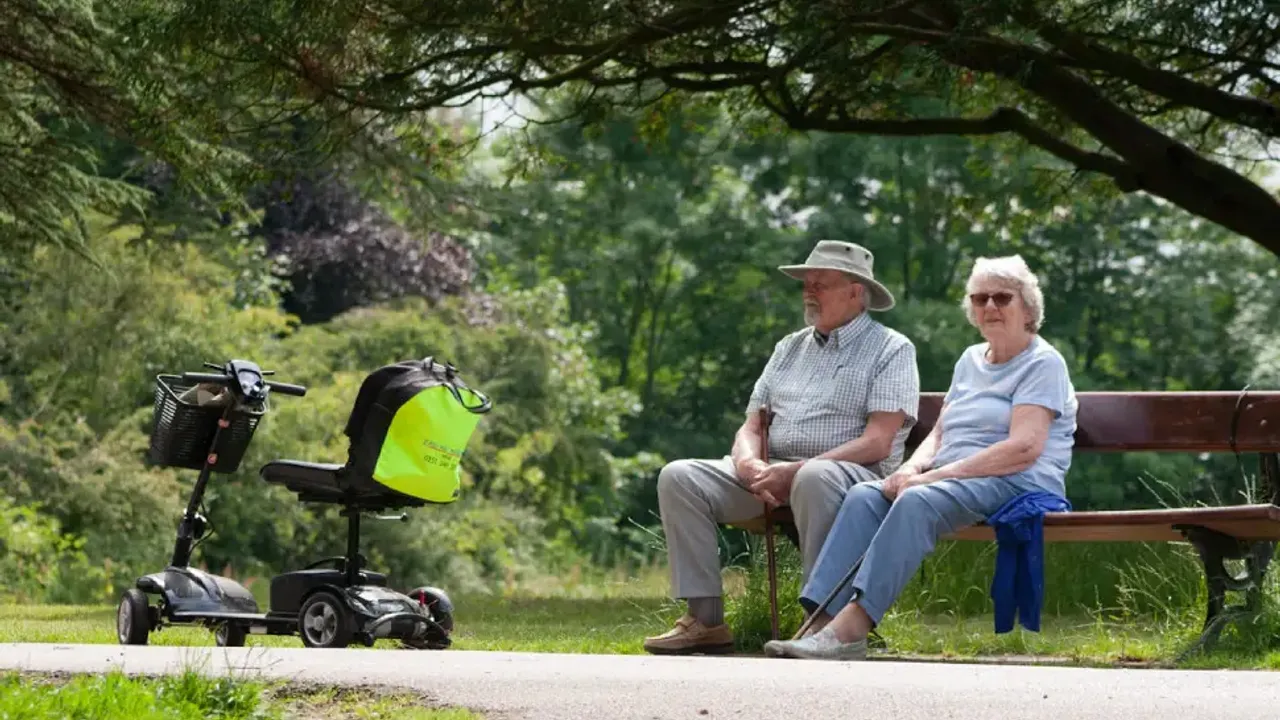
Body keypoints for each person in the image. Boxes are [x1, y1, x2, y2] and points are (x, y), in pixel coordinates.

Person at [762, 254, 1078, 661]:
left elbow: (1023, 449)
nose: (990, 307)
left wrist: (930, 479)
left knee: (915, 500)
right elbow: (943, 430)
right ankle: (821, 622)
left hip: (1018, 480)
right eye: (980, 299)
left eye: (1002, 298)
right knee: (865, 497)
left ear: (1028, 308)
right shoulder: (970, 360)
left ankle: (851, 631)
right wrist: (912, 467)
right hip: (957, 477)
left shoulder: (1042, 362)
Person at [642, 240, 920, 655]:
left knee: (814, 476)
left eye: (820, 284)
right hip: (775, 473)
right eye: (806, 284)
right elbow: (753, 424)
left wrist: (796, 469)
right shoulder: (789, 347)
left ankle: (824, 622)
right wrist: (750, 463)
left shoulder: (892, 349)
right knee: (680, 476)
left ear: (855, 291)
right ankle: (705, 620)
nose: (809, 291)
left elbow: (878, 442)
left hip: (851, 477)